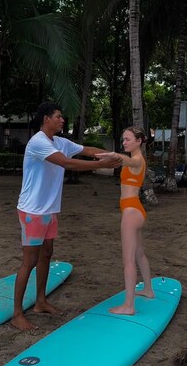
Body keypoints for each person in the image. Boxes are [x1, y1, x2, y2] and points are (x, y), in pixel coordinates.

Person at [12, 102, 122, 331]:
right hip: (32, 211)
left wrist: (114, 155)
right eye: (59, 116)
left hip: (49, 210)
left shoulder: (59, 142)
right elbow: (66, 162)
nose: (62, 120)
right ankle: (17, 314)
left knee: (47, 255)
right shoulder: (38, 142)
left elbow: (87, 150)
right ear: (46, 119)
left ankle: (40, 301)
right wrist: (101, 165)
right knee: (30, 261)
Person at [96, 126, 154, 315]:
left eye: (128, 139)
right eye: (123, 139)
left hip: (131, 212)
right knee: (139, 254)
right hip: (134, 210)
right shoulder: (133, 161)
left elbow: (129, 160)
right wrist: (111, 158)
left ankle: (129, 306)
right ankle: (148, 289)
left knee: (128, 260)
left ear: (139, 141)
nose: (124, 142)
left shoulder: (137, 160)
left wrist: (116, 155)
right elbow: (126, 161)